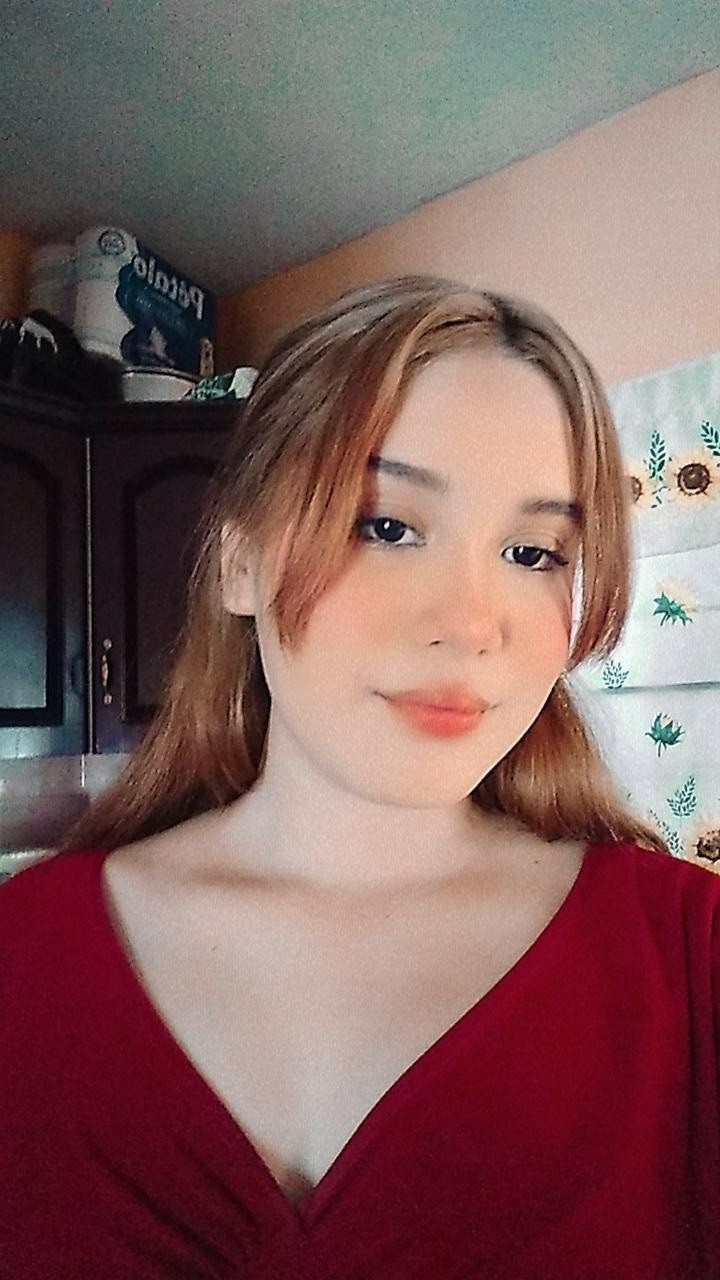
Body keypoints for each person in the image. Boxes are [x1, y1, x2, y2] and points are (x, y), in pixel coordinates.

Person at [1, 277, 717, 1280]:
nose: (471, 624)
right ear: (240, 559)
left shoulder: (688, 960)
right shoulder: (23, 952)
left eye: (533, 552)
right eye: (385, 526)